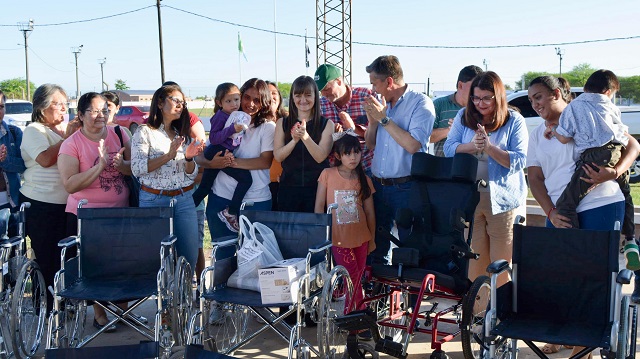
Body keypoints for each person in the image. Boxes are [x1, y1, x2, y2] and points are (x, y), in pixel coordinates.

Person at [526, 75, 640, 358]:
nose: (534, 104)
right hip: (561, 213)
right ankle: (563, 334)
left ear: (556, 94)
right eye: (530, 100)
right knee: (559, 277)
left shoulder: (589, 112)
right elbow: (535, 178)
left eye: (538, 97)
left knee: (593, 278)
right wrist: (550, 212)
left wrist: (615, 171)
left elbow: (633, 146)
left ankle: (583, 347)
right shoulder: (538, 133)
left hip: (601, 204)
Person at [548, 70, 639, 270]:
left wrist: (553, 130)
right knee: (626, 195)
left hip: (594, 157)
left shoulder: (575, 106)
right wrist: (615, 171)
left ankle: (574, 249)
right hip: (617, 153)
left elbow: (564, 137)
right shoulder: (611, 106)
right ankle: (631, 239)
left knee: (566, 204)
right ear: (608, 92)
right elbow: (623, 135)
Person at [443, 71, 528, 286]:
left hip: (502, 201)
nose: (480, 103)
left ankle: (500, 314)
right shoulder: (464, 116)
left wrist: (490, 148)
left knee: (501, 262)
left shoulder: (514, 120)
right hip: (471, 199)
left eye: (486, 98)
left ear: (498, 96)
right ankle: (479, 313)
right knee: (474, 259)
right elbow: (448, 148)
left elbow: (519, 160)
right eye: (476, 97)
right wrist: (472, 146)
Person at [58, 92, 132, 332]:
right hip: (86, 217)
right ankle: (100, 314)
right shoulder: (72, 144)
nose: (101, 116)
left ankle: (123, 311)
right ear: (80, 115)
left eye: (105, 110)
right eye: (94, 111)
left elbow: (136, 170)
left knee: (122, 262)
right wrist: (99, 167)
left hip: (120, 213)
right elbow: (69, 184)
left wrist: (123, 166)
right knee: (95, 266)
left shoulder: (120, 134)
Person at [363, 55, 435, 265]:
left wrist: (383, 119)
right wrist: (373, 123)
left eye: (374, 83)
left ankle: (411, 297)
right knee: (377, 250)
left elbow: (413, 145)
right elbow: (370, 144)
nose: (372, 90)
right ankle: (380, 297)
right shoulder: (382, 106)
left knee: (410, 250)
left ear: (389, 81)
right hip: (378, 186)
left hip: (407, 187)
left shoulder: (420, 103)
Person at [20, 84, 80, 311]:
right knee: (46, 258)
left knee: (66, 257)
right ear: (42, 107)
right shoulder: (34, 130)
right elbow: (45, 159)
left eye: (66, 104)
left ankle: (64, 303)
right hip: (41, 204)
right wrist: (68, 137)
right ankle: (45, 308)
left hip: (67, 204)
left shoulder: (63, 130)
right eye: (58, 104)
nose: (64, 109)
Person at [131, 84, 203, 269]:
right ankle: (163, 298)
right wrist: (168, 156)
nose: (180, 105)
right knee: (157, 261)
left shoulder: (181, 134)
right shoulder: (144, 131)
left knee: (189, 258)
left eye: (183, 103)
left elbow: (191, 174)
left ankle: (186, 297)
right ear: (161, 103)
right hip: (154, 200)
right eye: (176, 101)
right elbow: (137, 168)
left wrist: (188, 158)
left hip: (184, 199)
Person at [204, 78, 275, 238]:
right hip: (221, 197)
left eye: (257, 100)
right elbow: (203, 155)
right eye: (247, 97)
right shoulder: (227, 119)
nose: (250, 104)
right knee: (223, 255)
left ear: (264, 102)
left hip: (256, 200)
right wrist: (213, 162)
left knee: (255, 258)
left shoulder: (268, 127)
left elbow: (265, 161)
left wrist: (229, 163)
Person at [314, 131, 375, 314]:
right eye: (348, 153)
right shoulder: (327, 174)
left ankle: (352, 317)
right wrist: (322, 237)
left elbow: (370, 212)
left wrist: (372, 239)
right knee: (351, 277)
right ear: (338, 156)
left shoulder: (365, 179)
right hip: (338, 239)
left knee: (356, 280)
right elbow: (319, 207)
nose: (353, 157)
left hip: (362, 238)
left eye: (356, 152)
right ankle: (358, 316)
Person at [192, 83, 253, 233]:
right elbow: (214, 138)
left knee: (205, 187)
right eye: (229, 101)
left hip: (223, 152)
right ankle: (231, 212)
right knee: (245, 179)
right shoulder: (220, 116)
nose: (234, 104)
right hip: (217, 152)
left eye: (237, 100)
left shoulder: (236, 115)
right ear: (219, 102)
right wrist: (232, 129)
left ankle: (186, 210)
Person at [274, 75, 334, 213]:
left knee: (316, 232)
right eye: (298, 95)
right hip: (288, 188)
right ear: (292, 97)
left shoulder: (327, 124)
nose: (303, 100)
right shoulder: (282, 123)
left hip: (317, 189)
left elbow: (320, 156)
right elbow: (278, 156)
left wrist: (305, 137)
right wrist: (294, 140)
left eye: (308, 95)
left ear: (315, 96)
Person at [314, 64, 374, 174]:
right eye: (321, 91)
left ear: (339, 81)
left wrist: (353, 129)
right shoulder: (320, 106)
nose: (324, 94)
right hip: (337, 172)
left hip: (367, 168)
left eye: (326, 89)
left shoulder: (365, 96)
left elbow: (379, 134)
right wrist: (335, 136)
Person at [430, 65, 484, 157]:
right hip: (444, 166)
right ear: (460, 85)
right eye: (474, 87)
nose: (477, 91)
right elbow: (427, 137)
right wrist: (452, 129)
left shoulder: (481, 107)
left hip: (473, 167)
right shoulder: (439, 105)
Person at [0, 90, 26, 237]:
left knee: (12, 255)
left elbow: (24, 165)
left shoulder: (14, 132)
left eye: (1, 107)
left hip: (10, 205)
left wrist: (5, 160)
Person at [266, 81, 288, 211]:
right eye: (266, 94)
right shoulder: (254, 123)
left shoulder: (290, 120)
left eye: (274, 93)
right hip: (263, 183)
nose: (271, 97)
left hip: (285, 182)